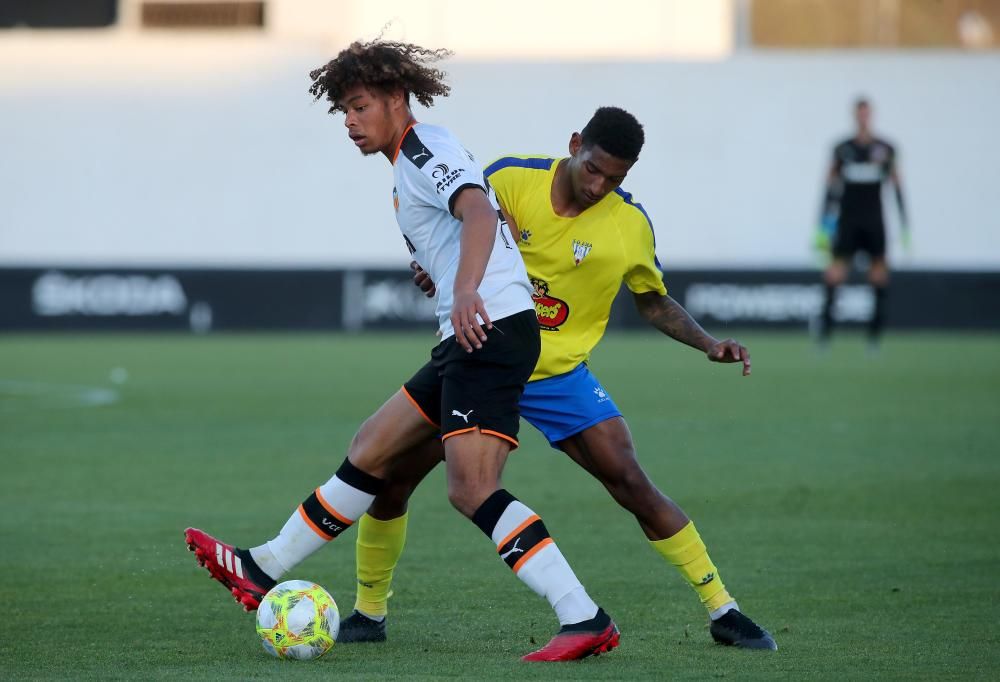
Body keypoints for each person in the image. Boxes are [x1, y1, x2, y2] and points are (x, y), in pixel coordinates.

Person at [184, 38, 620, 663]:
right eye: (343, 112)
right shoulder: (407, 166)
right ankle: (261, 567)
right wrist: (445, 279)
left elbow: (477, 214)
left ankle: (583, 616)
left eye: (360, 106)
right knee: (372, 447)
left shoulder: (424, 146)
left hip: (489, 329)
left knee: (472, 490)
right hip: (472, 330)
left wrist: (466, 287)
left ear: (395, 99)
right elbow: (464, 228)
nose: (350, 122)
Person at [337, 107, 777, 651]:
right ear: (573, 144)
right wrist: (431, 267)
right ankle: (369, 612)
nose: (599, 186)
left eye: (614, 178)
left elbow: (653, 300)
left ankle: (723, 609)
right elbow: (446, 228)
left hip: (557, 373)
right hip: (483, 357)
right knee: (392, 477)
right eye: (592, 169)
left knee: (631, 481)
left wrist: (710, 343)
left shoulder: (628, 225)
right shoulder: (508, 179)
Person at [815, 97, 909, 348]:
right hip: (847, 221)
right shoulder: (841, 149)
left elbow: (898, 187)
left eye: (867, 114)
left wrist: (905, 226)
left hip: (874, 221)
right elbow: (829, 188)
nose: (863, 118)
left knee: (878, 277)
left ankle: (874, 338)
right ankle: (824, 335)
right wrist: (823, 227)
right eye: (860, 114)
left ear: (872, 116)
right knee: (834, 275)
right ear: (854, 116)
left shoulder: (886, 149)